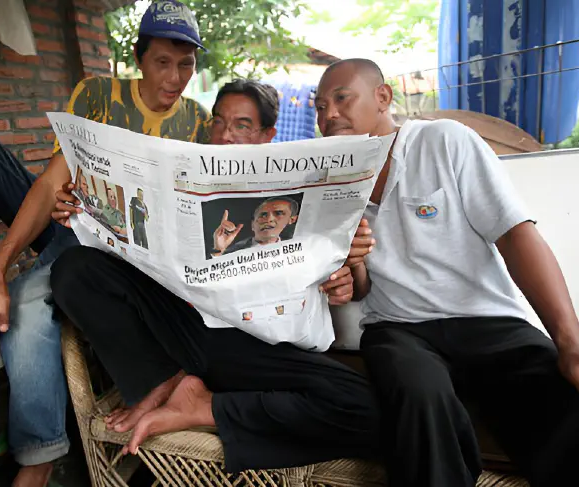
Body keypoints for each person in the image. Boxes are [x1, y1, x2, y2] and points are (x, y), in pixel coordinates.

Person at [0, 2, 210, 485]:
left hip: (111, 256)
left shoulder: (197, 124)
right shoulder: (98, 95)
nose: (175, 77)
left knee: (32, 306)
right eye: (163, 61)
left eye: (186, 64)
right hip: (67, 223)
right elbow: (51, 182)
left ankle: (39, 457)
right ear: (139, 58)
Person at [49, 79, 381, 473]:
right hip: (189, 330)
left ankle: (204, 407)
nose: (226, 135)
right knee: (74, 269)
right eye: (219, 122)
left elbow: (351, 285)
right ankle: (165, 383)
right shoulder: (183, 178)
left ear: (266, 135)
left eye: (242, 125)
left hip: (263, 349)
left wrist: (344, 275)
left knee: (371, 407)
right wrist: (83, 210)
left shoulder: (304, 187)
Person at [315, 58, 579, 487]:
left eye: (341, 98)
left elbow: (515, 235)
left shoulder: (443, 141)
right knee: (417, 392)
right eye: (318, 106)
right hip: (398, 327)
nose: (328, 114)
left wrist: (572, 342)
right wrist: (352, 265)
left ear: (383, 97)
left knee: (560, 401)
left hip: (486, 320)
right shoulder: (331, 182)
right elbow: (361, 290)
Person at [210, 196, 299, 257]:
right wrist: (219, 250)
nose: (269, 219)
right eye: (263, 215)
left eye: (278, 213)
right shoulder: (233, 251)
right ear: (253, 225)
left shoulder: (298, 250)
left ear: (292, 219)